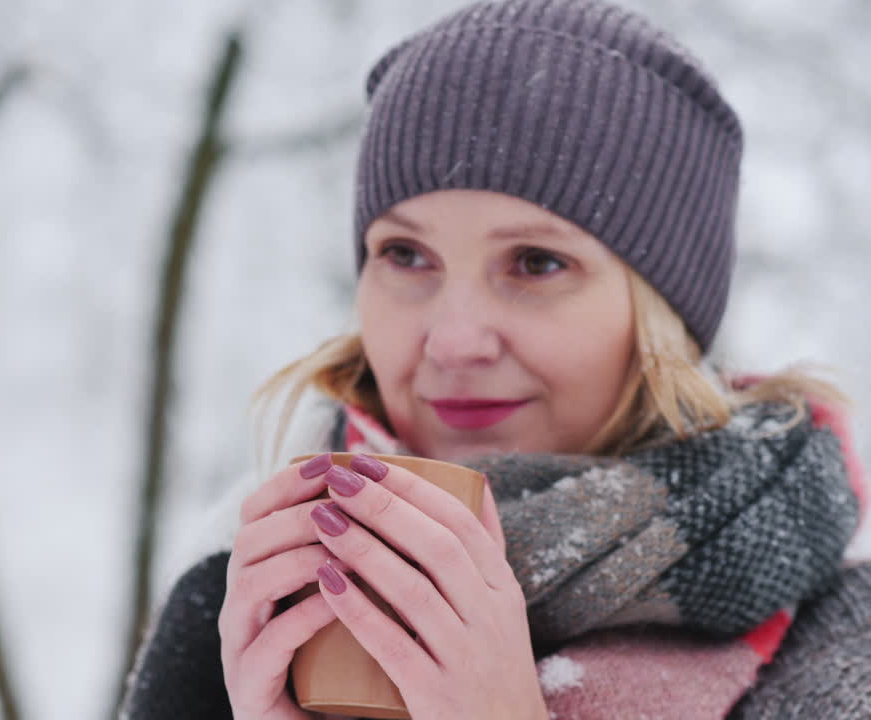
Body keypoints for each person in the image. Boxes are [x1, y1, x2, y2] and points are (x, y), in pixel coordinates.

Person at [120, 0, 871, 717]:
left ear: (662, 316)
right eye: (405, 254)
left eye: (537, 263)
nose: (453, 340)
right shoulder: (247, 585)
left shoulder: (841, 643)